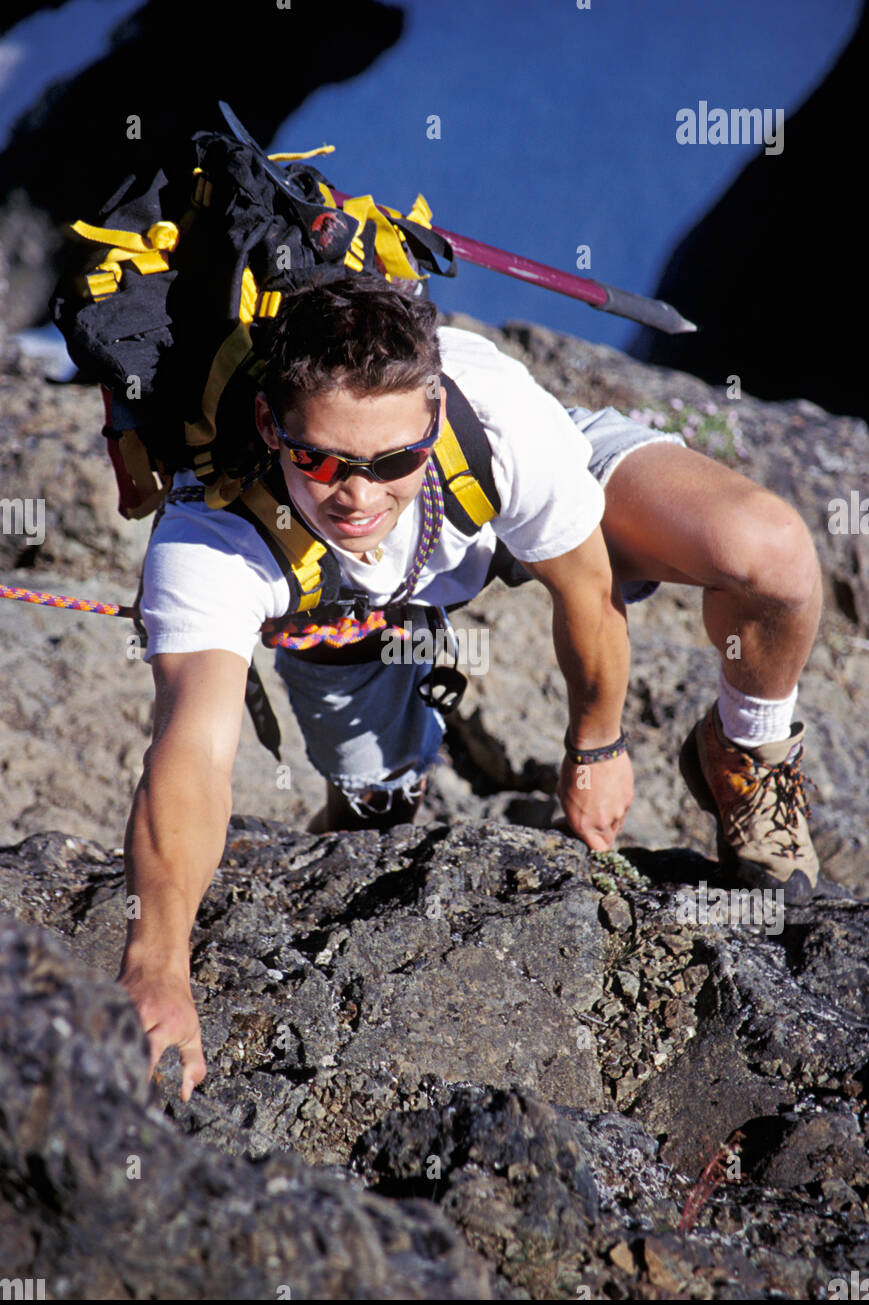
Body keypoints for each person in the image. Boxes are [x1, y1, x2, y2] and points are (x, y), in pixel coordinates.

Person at [119, 275, 822, 1100]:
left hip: (488, 505)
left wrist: (595, 744)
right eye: (320, 459)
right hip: (334, 604)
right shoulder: (212, 537)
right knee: (371, 809)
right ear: (272, 424)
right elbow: (193, 748)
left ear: (433, 421)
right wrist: (156, 966)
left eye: (391, 461)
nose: (357, 496)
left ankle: (746, 747)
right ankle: (365, 805)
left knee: (770, 556)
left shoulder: (494, 416)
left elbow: (586, 590)